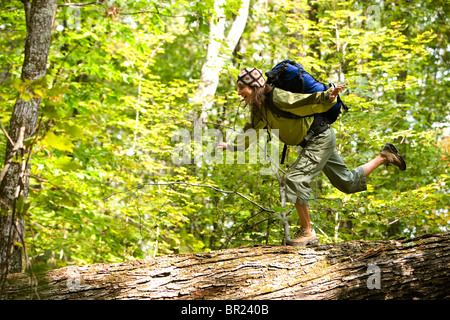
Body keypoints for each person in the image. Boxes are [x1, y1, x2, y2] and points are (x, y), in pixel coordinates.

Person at [217, 67, 406, 246]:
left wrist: (327, 96)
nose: (239, 92)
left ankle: (307, 232)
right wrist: (231, 146)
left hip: (319, 138)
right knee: (347, 182)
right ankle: (384, 156)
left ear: (255, 86)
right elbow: (249, 132)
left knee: (295, 178)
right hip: (316, 141)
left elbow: (301, 101)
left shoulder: (275, 97)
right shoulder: (260, 109)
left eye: (242, 87)